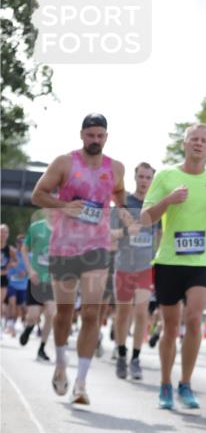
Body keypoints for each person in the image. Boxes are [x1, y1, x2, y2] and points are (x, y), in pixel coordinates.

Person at [31, 114, 125, 403]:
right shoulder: (65, 163)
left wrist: (119, 221)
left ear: (106, 137)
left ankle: (81, 384)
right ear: (82, 135)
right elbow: (38, 195)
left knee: (91, 313)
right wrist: (64, 206)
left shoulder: (116, 168)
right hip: (64, 248)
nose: (95, 140)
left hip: (96, 249)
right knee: (63, 314)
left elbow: (119, 196)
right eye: (90, 135)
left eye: (100, 136)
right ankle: (61, 364)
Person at [140, 123, 206, 410]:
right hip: (169, 260)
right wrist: (169, 199)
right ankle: (165, 383)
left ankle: (186, 384)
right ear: (185, 144)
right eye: (193, 139)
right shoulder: (166, 176)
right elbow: (146, 218)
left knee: (193, 318)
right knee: (170, 324)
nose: (198, 144)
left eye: (204, 140)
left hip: (201, 261)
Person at [113, 162, 157, 381]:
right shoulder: (124, 204)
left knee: (141, 313)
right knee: (123, 314)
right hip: (123, 266)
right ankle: (121, 354)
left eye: (148, 178)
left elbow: (160, 235)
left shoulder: (155, 204)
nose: (144, 181)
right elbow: (108, 235)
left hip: (145, 268)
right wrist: (125, 231)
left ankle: (136, 358)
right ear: (135, 177)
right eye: (141, 176)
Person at [19, 211, 55, 361]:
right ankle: (29, 327)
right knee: (33, 315)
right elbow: (24, 249)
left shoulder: (63, 231)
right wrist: (30, 270)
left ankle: (42, 348)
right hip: (35, 279)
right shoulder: (35, 228)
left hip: (53, 281)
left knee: (50, 314)